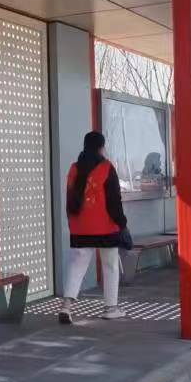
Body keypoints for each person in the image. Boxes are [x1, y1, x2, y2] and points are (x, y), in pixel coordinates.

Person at [58, 131, 129, 323]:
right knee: (110, 266)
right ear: (101, 147)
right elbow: (114, 202)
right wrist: (122, 223)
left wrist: (72, 224)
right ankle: (110, 308)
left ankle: (66, 307)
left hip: (80, 227)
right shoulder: (107, 168)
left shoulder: (74, 168)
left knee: (76, 266)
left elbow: (69, 200)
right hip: (106, 227)